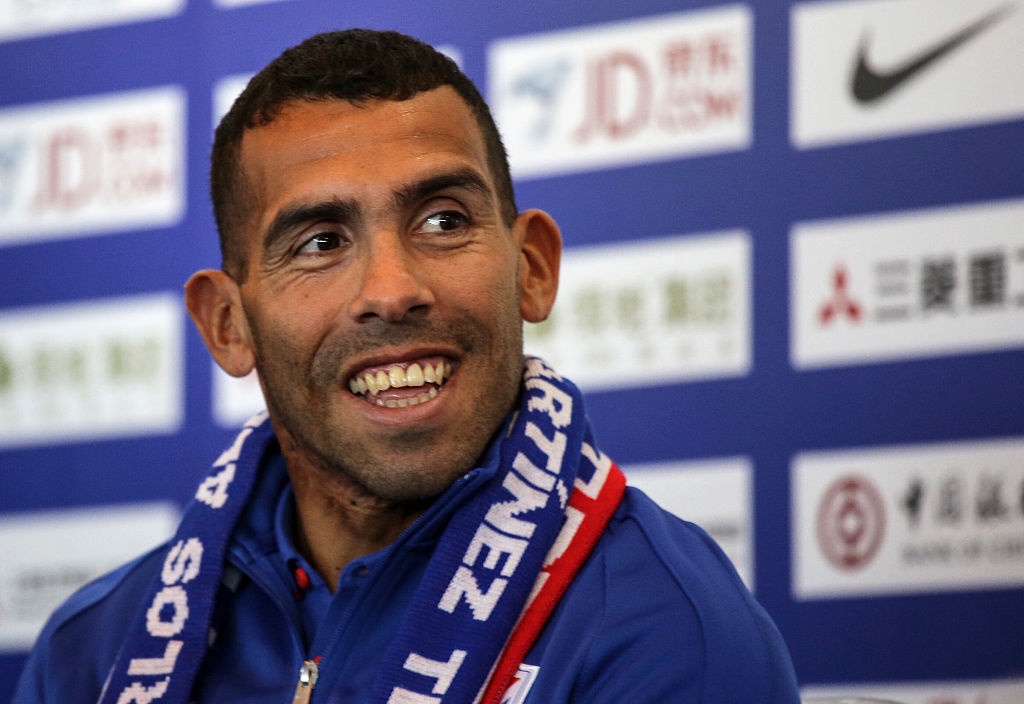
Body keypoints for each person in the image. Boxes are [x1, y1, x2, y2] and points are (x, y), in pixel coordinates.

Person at [13, 29, 800, 703]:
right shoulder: (95, 651)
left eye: (443, 221)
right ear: (228, 325)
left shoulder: (666, 631)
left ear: (530, 267)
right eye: (320, 242)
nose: (392, 290)